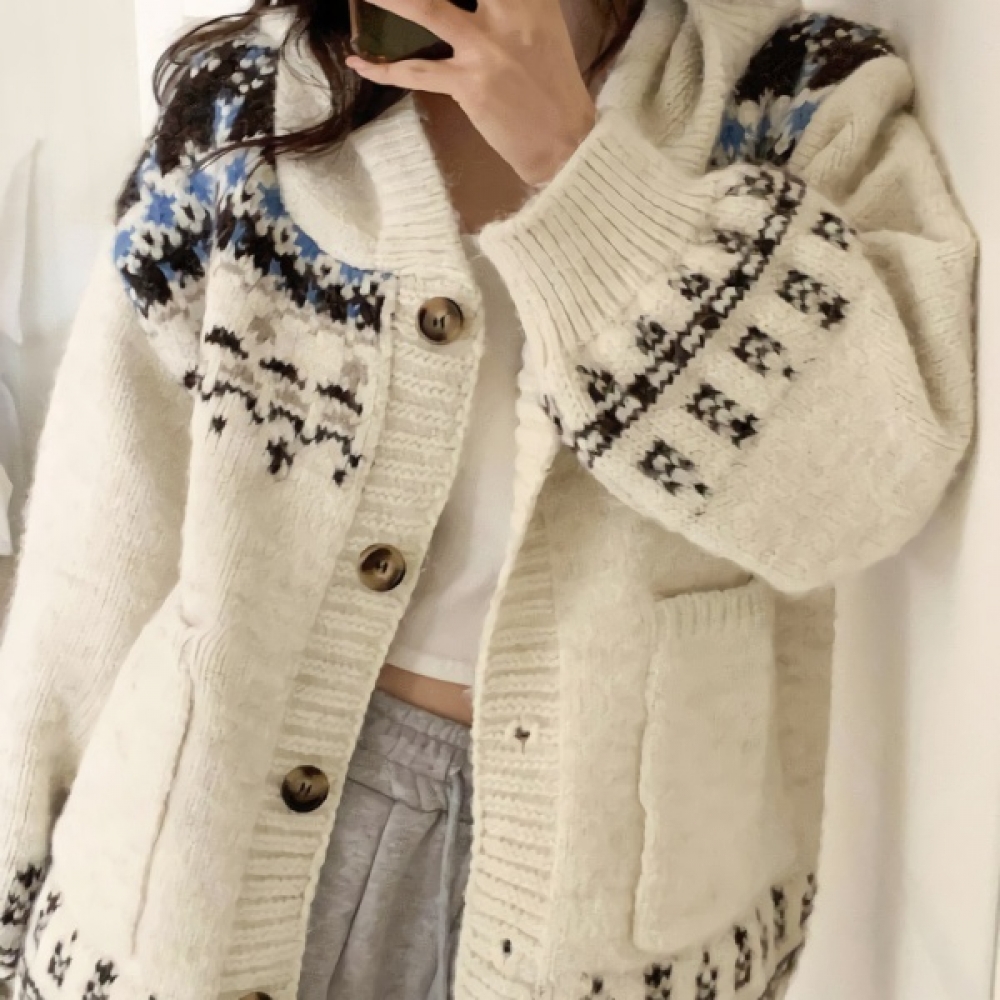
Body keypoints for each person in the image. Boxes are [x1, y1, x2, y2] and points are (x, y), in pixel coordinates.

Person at [0, 0, 976, 999]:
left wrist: (574, 163)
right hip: (209, 844)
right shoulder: (252, 111)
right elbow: (97, 548)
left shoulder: (795, 100)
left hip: (606, 891)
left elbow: (863, 489)